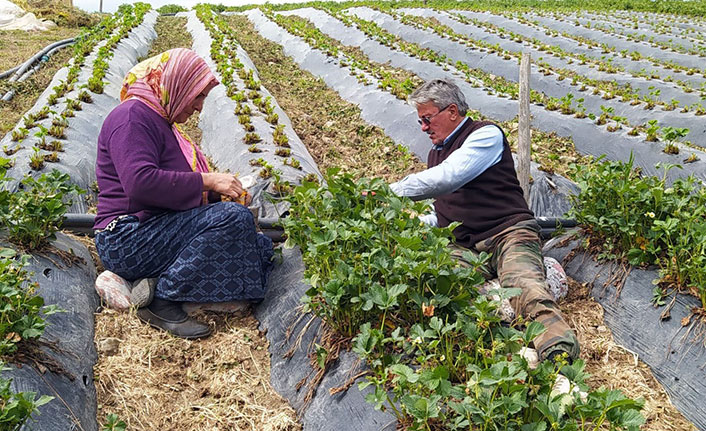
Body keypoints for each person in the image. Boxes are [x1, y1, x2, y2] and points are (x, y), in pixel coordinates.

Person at [390, 79, 579, 363]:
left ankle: (558, 355)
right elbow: (443, 211)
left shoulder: (484, 135)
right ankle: (507, 345)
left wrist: (387, 193)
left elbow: (450, 177)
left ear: (452, 111)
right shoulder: (436, 154)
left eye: (427, 119)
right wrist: (411, 224)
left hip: (507, 233)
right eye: (420, 122)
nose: (424, 128)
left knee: (525, 287)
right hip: (465, 245)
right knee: (442, 292)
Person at [93, 48, 273, 339]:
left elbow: (171, 188)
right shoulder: (131, 118)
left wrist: (217, 196)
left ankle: (148, 283)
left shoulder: (161, 123)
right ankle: (162, 299)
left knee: (258, 247)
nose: (200, 107)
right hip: (126, 237)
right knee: (232, 220)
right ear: (178, 85)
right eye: (198, 95)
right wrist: (208, 181)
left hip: (154, 229)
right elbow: (140, 184)